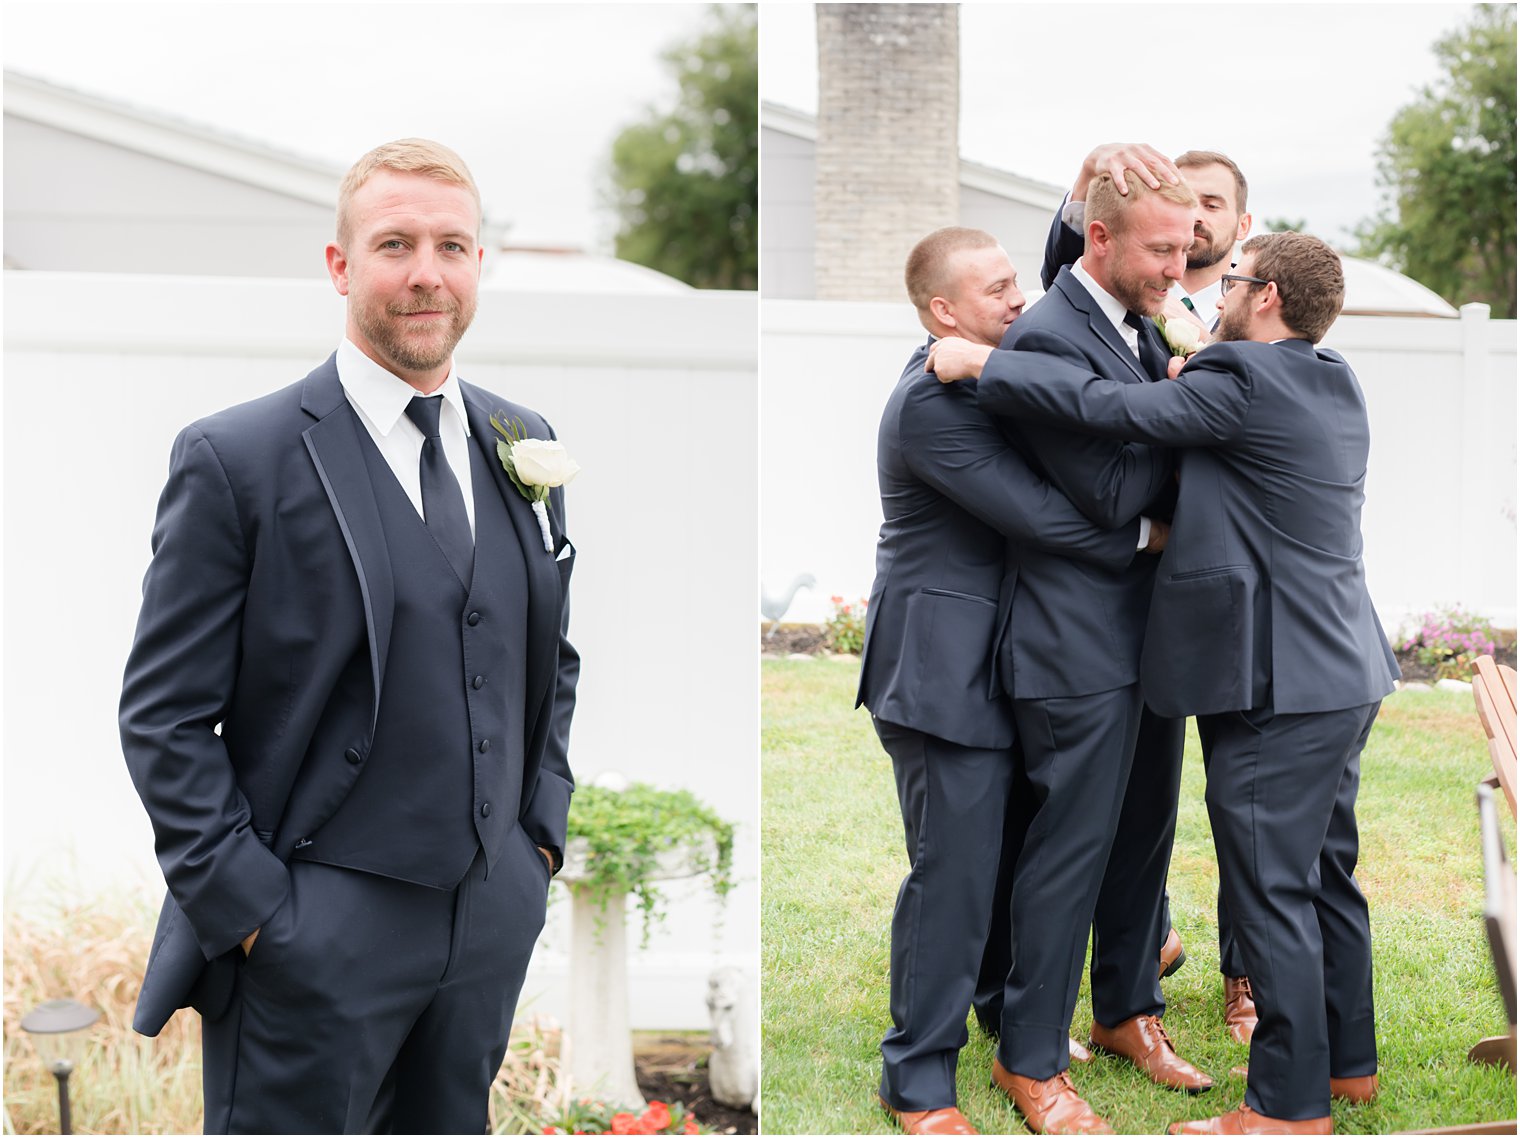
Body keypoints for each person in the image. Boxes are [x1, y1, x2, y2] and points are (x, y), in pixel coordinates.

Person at [119, 138, 579, 1134]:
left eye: (451, 245)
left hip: (486, 919)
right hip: (309, 936)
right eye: (395, 243)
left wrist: (536, 841)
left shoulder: (516, 435)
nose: (426, 272)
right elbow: (162, 716)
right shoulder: (235, 458)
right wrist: (254, 916)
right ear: (340, 265)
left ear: (477, 264)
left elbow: (549, 652)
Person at [936, 231, 1397, 1135]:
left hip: (1279, 684)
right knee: (1325, 873)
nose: (1209, 291)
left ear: (1263, 298)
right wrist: (1202, 344)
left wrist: (980, 364)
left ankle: (1286, 1108)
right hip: (1346, 667)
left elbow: (1108, 407)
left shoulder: (1240, 384)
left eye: (1229, 281)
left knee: (1271, 889)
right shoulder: (1333, 375)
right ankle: (1348, 1065)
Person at [930, 169, 1212, 1135]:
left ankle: (1131, 1010)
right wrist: (1196, 432)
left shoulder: (1141, 323)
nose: (1181, 268)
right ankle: (1030, 1058)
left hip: (1150, 638)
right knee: (1070, 858)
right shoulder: (1047, 334)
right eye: (1162, 250)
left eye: (1188, 248)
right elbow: (1110, 493)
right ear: (1096, 237)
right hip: (1075, 647)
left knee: (1144, 844)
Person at [859, 226, 1155, 1135]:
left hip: (1014, 665)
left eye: (1016, 283)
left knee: (1004, 865)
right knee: (951, 875)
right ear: (944, 312)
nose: (1019, 300)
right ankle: (915, 1079)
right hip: (940, 671)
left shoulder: (992, 379)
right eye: (996, 291)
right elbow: (1041, 521)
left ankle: (1001, 1024)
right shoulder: (931, 407)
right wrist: (1149, 538)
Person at [1034, 144, 1262, 1045]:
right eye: (1175, 226)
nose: (1190, 239)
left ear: (1241, 225)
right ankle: (1078, 1016)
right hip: (1102, 626)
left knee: (1196, 823)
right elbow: (1109, 484)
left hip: (1203, 616)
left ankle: (1189, 995)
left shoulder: (1225, 317)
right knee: (1099, 834)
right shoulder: (1090, 314)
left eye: (1212, 210)